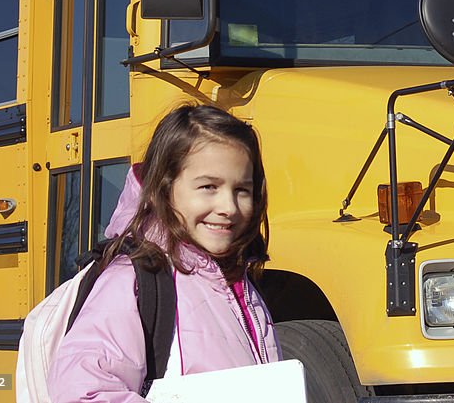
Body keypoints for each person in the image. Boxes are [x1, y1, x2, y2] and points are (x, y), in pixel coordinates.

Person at [48, 104, 281, 402]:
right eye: (209, 186)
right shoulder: (135, 280)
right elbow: (82, 391)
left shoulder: (239, 284)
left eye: (242, 190)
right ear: (165, 188)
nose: (229, 208)